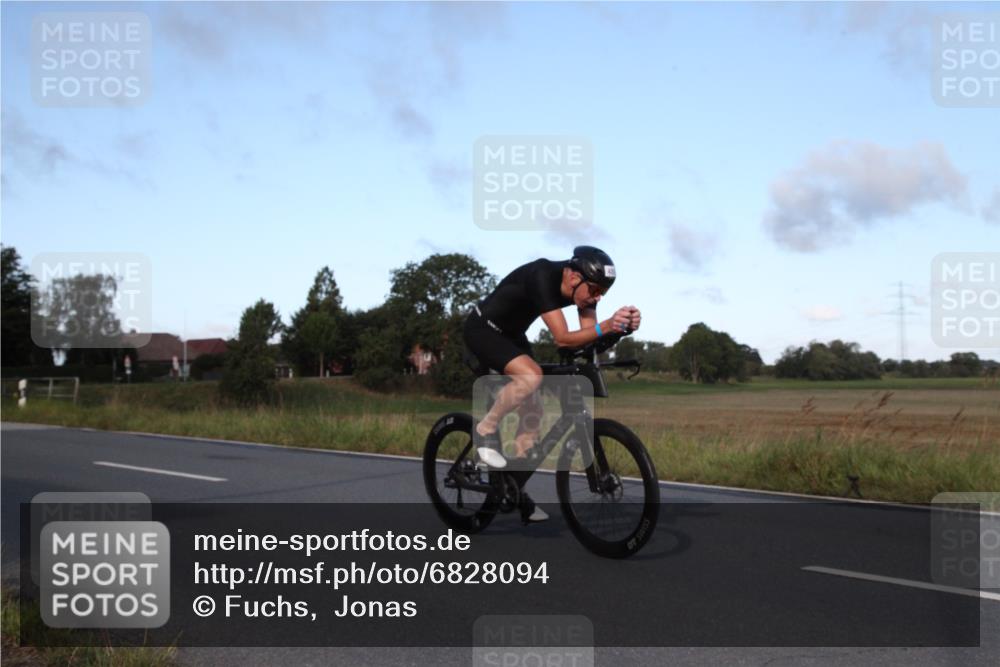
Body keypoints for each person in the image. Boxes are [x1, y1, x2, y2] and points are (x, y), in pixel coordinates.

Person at [463, 246, 642, 522]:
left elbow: (587, 340)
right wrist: (606, 325)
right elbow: (562, 338)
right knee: (531, 376)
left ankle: (513, 488)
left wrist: (620, 330)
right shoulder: (543, 275)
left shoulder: (585, 290)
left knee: (533, 415)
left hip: (511, 335)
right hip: (482, 329)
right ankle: (485, 429)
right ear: (573, 277)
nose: (597, 298)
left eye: (602, 294)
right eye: (594, 291)